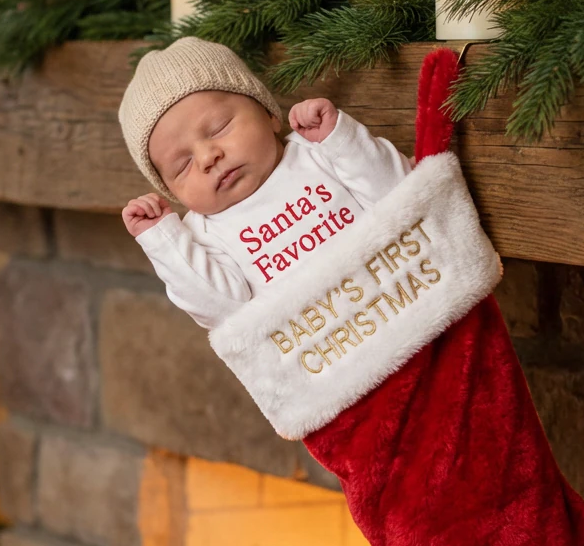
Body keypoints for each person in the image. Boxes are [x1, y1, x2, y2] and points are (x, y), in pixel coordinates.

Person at [118, 36, 413, 329]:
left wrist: (341, 139)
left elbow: (399, 195)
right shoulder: (202, 237)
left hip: (408, 295)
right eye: (182, 166)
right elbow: (225, 314)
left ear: (269, 113)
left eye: (219, 128)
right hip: (330, 353)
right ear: (172, 191)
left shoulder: (316, 151)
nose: (208, 156)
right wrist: (164, 241)